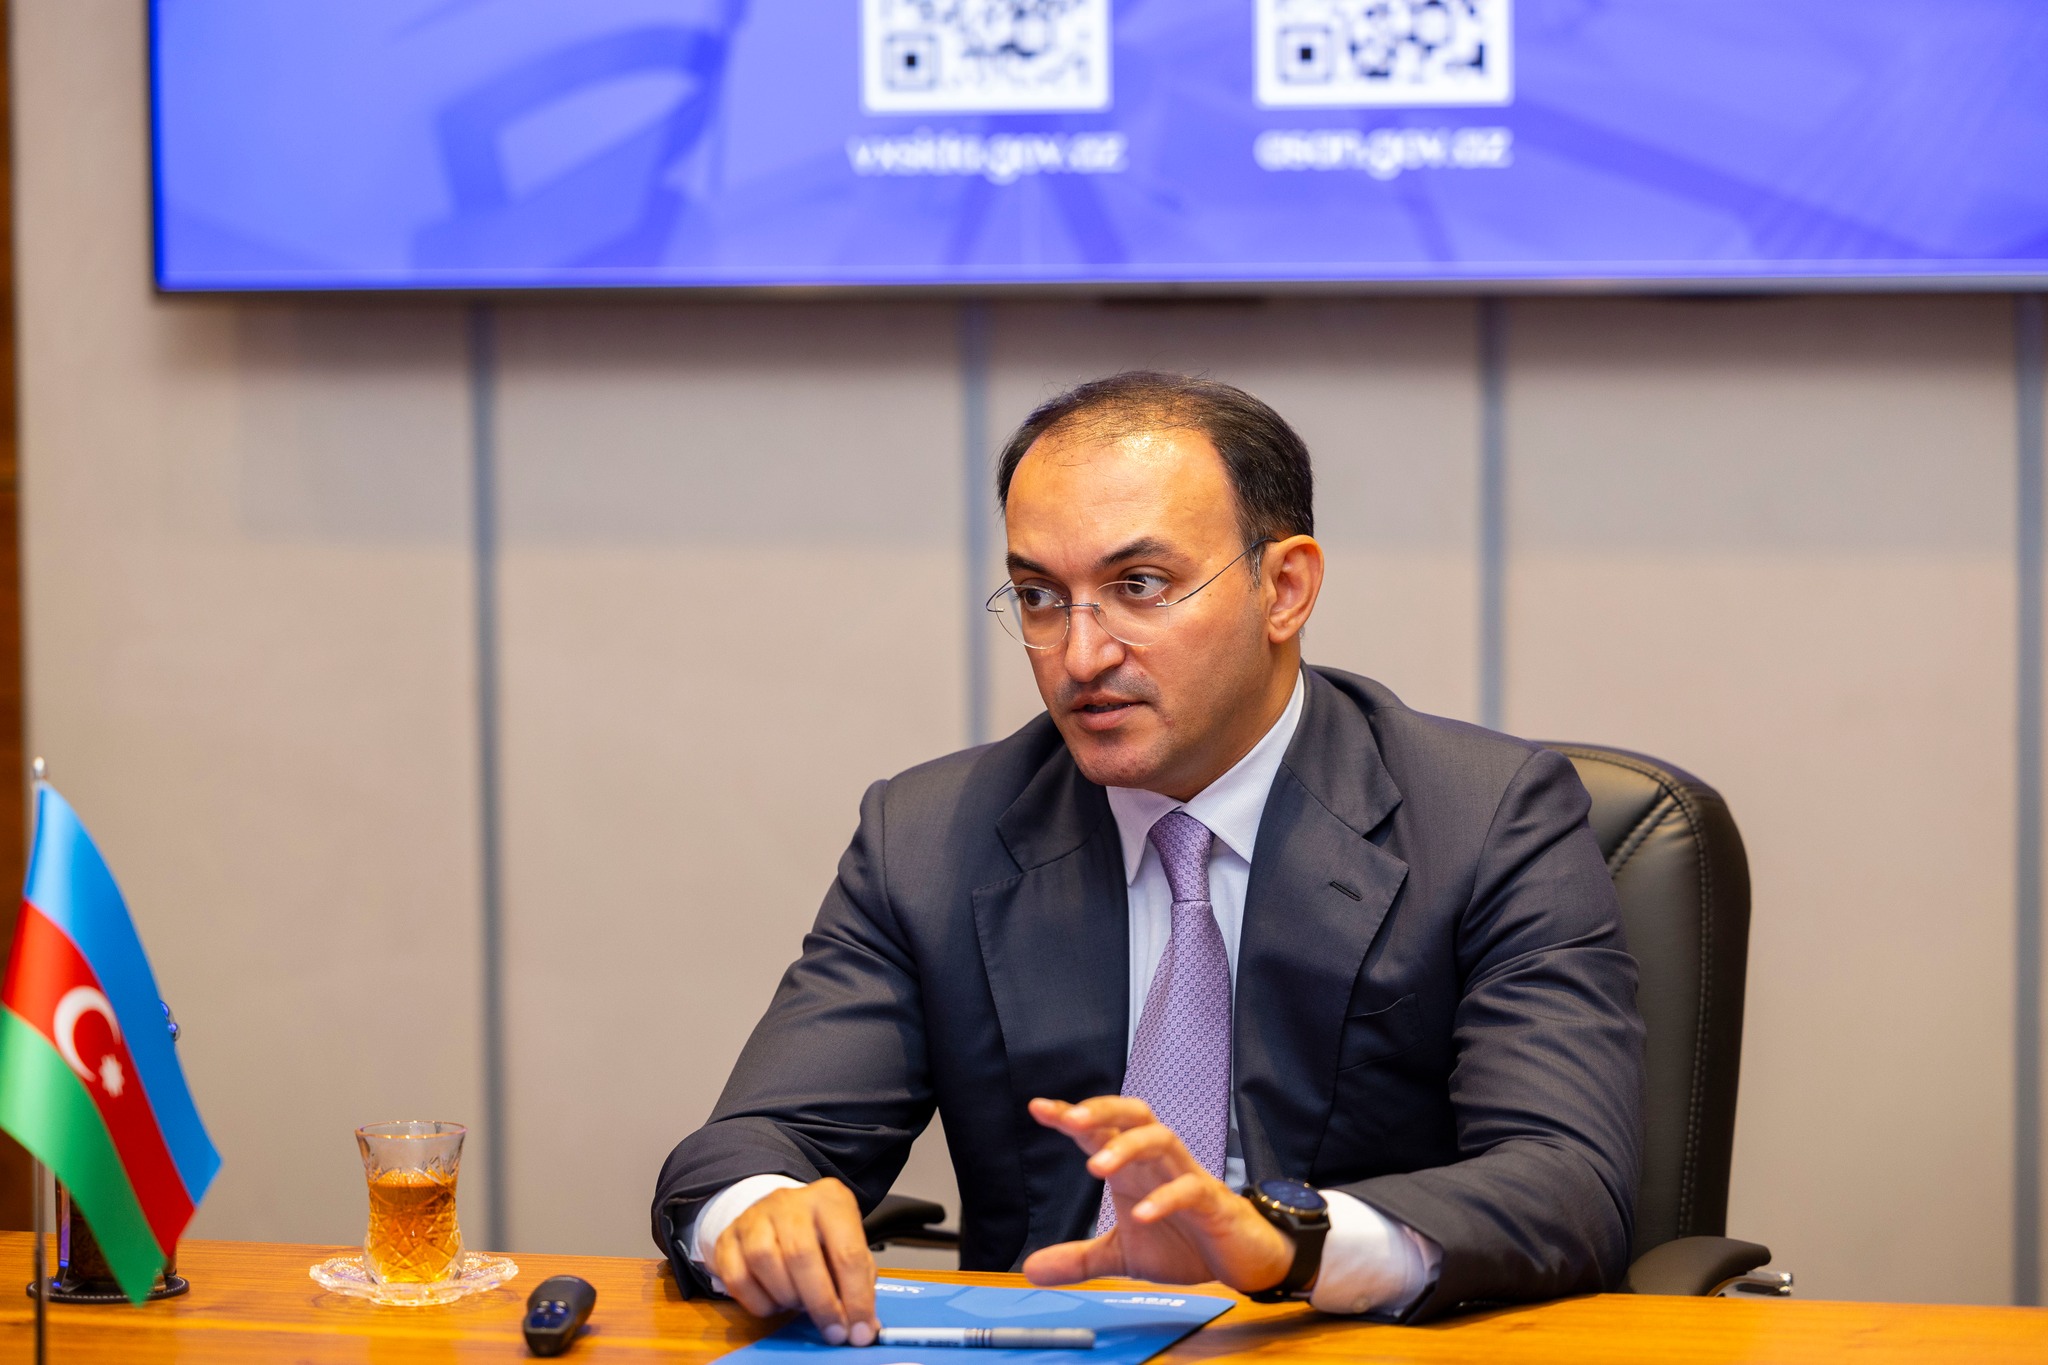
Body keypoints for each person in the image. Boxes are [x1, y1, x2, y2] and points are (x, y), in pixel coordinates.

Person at [651, 372, 1643, 1337]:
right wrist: (760, 1211)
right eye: (1039, 596)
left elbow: (1567, 1181)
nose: (1079, 655)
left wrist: (1286, 1244)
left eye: (1139, 586)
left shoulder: (1486, 819)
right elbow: (750, 1146)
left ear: (1284, 588)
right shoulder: (928, 838)